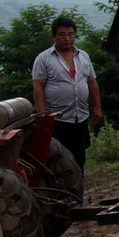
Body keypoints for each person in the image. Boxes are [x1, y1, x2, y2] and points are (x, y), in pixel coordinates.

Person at [31, 17, 102, 172]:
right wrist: (42, 115)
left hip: (80, 116)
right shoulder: (44, 58)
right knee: (58, 159)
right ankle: (61, 187)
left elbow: (92, 82)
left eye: (71, 34)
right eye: (62, 34)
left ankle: (78, 185)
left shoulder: (83, 56)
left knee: (79, 157)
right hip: (57, 119)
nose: (67, 39)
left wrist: (97, 108)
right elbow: (38, 86)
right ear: (54, 36)